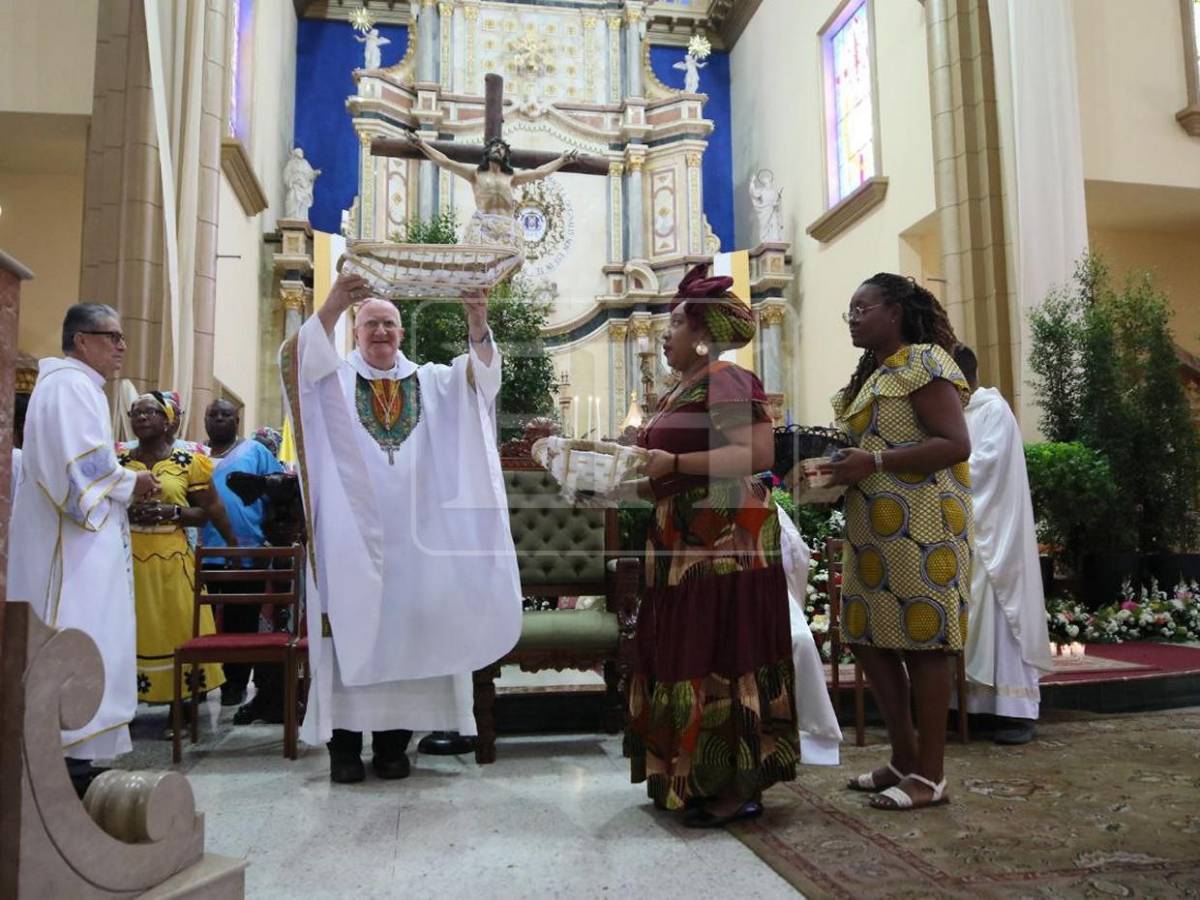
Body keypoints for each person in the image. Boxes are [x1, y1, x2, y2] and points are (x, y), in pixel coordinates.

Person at [281, 272, 522, 784]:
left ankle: (394, 746)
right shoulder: (333, 381)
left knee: (409, 636)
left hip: (417, 542)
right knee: (350, 631)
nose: (382, 332)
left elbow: (482, 382)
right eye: (370, 324)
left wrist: (478, 323)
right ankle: (344, 748)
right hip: (348, 537)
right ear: (355, 331)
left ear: (402, 333)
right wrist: (332, 303)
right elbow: (298, 361)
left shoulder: (433, 381)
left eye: (390, 323)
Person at [622, 263, 800, 828]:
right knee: (688, 649)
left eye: (673, 323)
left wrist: (674, 461)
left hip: (727, 537)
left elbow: (756, 455)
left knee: (725, 652)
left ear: (701, 333)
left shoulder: (725, 378)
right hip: (683, 537)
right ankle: (690, 774)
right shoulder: (682, 388)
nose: (664, 334)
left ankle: (737, 785)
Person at [824, 273, 973, 812]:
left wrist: (877, 461)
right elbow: (874, 443)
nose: (853, 316)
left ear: (894, 311)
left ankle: (931, 776)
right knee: (864, 634)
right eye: (850, 309)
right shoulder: (873, 376)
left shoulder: (926, 362)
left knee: (923, 642)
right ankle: (905, 756)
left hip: (924, 527)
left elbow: (956, 443)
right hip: (873, 528)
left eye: (862, 306)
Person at [7, 304, 160, 795]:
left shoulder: (73, 387)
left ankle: (78, 754)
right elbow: (82, 470)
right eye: (111, 336)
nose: (121, 346)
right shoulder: (71, 385)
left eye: (122, 337)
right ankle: (67, 756)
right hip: (70, 554)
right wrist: (131, 482)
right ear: (79, 341)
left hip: (78, 544)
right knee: (77, 633)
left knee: (91, 633)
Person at [952, 344, 1053, 744]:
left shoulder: (993, 410)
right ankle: (971, 708)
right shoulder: (956, 415)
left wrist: (933, 464)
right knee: (968, 623)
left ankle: (1015, 712)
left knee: (998, 616)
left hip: (995, 537)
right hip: (964, 532)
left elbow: (983, 466)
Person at [120, 392, 237, 723]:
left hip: (172, 559)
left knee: (177, 628)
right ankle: (124, 706)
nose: (142, 418)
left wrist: (174, 511)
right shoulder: (120, 463)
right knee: (130, 630)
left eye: (150, 412)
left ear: (168, 419)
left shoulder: (188, 461)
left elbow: (207, 511)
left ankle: (181, 704)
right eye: (136, 413)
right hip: (127, 561)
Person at [201, 399, 285, 718]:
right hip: (199, 550)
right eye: (213, 414)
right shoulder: (192, 453)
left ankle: (234, 684)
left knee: (241, 619)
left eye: (226, 414)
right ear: (204, 419)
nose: (219, 419)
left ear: (238, 420)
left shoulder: (255, 452)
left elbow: (279, 491)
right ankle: (196, 683)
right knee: (200, 621)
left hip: (246, 550)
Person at [406, 132, 578, 256]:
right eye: (495, 147)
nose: (498, 149)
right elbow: (446, 162)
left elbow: (540, 173)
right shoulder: (475, 175)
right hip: (484, 227)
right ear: (487, 152)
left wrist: (562, 160)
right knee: (480, 267)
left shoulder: (511, 177)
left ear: (505, 156)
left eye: (502, 148)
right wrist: (421, 144)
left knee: (509, 269)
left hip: (507, 228)